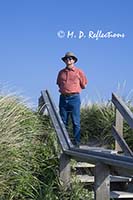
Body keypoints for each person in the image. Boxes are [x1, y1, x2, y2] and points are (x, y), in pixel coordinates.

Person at [56, 52, 88, 146]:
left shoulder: (79, 72)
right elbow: (59, 84)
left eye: (70, 58)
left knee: (75, 121)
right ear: (64, 61)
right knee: (63, 121)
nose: (68, 60)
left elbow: (84, 84)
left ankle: (76, 142)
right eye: (66, 59)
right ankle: (64, 143)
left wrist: (74, 88)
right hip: (63, 98)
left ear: (74, 60)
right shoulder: (61, 72)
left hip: (74, 98)